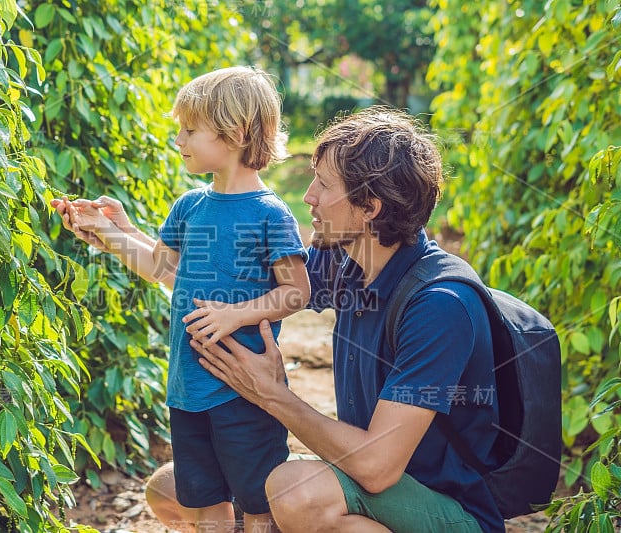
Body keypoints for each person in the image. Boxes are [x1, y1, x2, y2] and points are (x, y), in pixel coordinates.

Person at [146, 106, 506, 533]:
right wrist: (112, 233)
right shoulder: (346, 262)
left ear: (369, 206)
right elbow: (199, 278)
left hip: (446, 509)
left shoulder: (439, 305)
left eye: (323, 184)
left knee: (293, 492)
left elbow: (376, 468)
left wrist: (272, 395)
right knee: (169, 490)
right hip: (372, 488)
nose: (308, 196)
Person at [52, 66, 310, 533]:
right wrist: (107, 232)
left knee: (258, 505)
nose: (179, 140)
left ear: (234, 132)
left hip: (243, 391)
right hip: (188, 389)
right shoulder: (189, 206)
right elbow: (161, 269)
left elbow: (296, 291)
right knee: (203, 503)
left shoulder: (271, 213)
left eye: (189, 130)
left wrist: (236, 314)